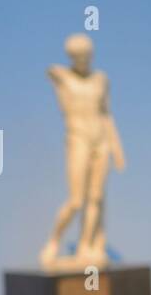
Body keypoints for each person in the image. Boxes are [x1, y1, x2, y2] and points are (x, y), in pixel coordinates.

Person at [40, 34, 124, 269]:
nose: (84, 59)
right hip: (78, 138)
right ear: (72, 57)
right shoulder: (62, 77)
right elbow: (51, 71)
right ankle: (53, 241)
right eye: (79, 55)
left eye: (87, 55)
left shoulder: (100, 79)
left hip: (101, 141)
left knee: (96, 198)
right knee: (77, 200)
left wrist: (117, 148)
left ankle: (86, 246)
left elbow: (106, 114)